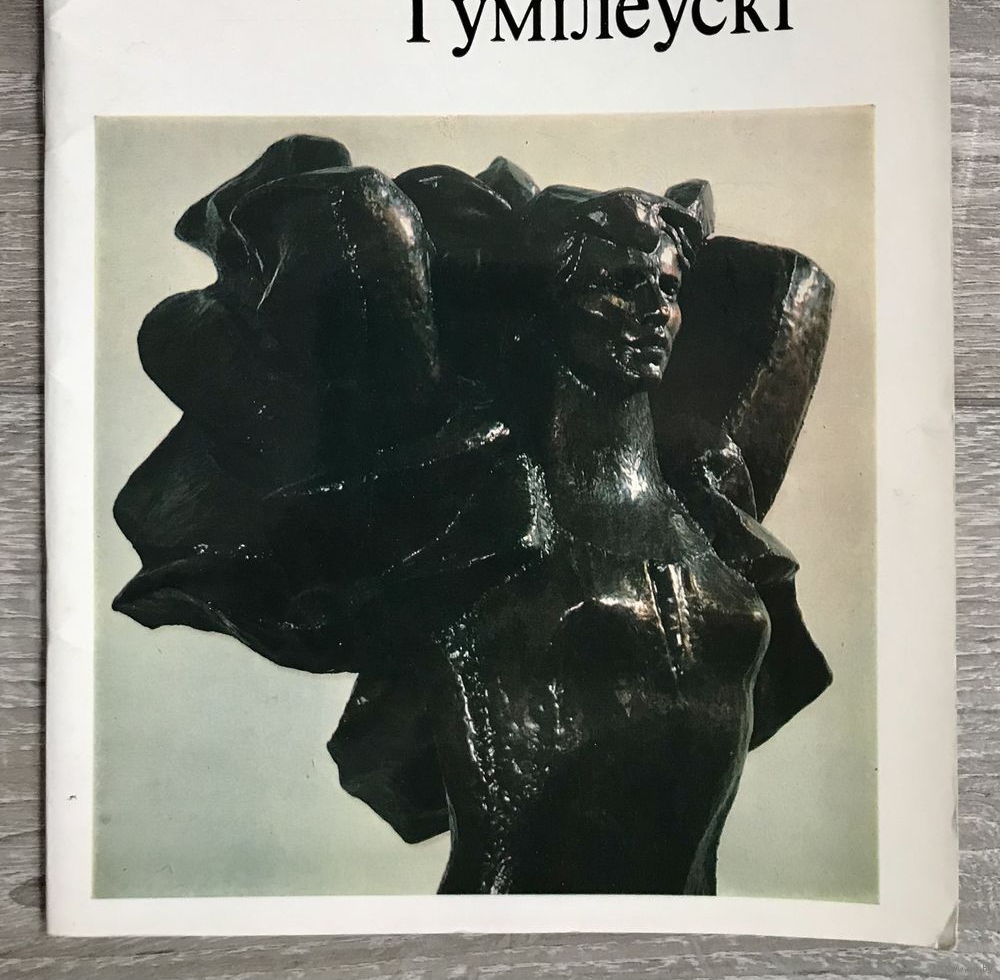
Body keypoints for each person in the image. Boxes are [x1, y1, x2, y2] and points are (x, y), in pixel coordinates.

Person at [114, 135, 833, 894]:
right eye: (619, 284)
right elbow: (348, 223)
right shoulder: (479, 500)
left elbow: (793, 297)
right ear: (548, 303)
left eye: (666, 285)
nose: (654, 309)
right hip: (501, 923)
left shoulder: (706, 501)